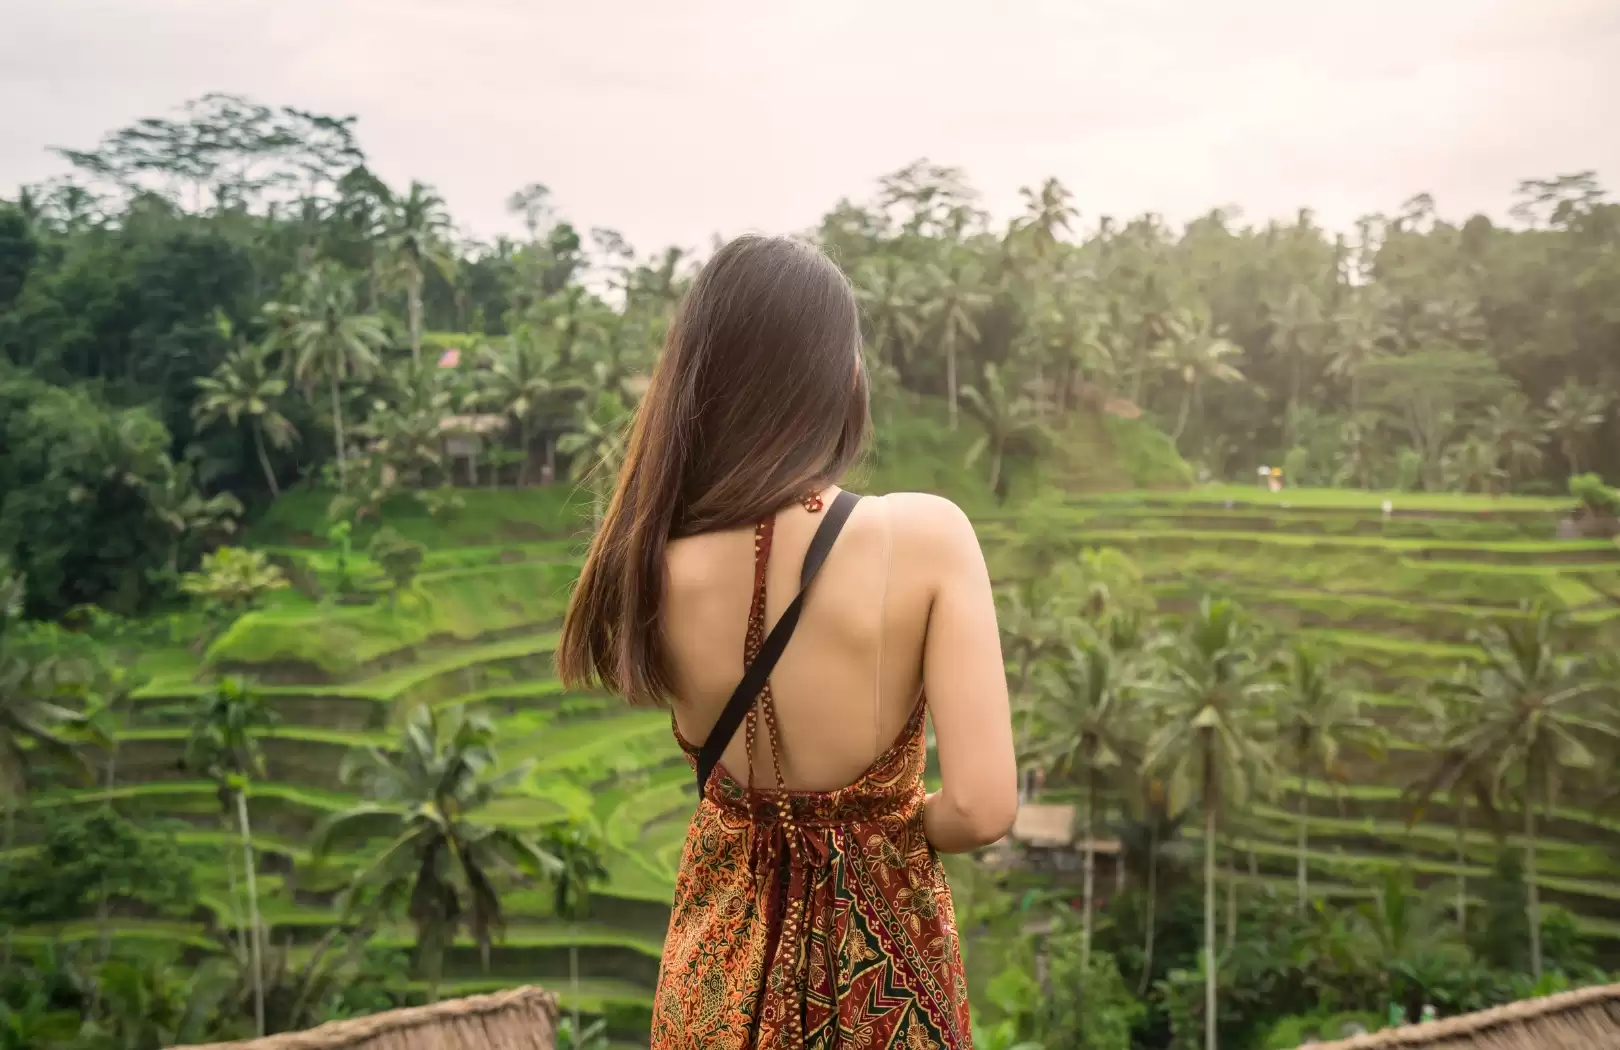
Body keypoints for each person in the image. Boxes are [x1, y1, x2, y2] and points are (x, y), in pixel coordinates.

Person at [558, 235, 1017, 1049]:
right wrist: (880, 828)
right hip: (881, 983)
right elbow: (982, 808)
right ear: (839, 378)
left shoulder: (647, 566)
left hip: (719, 980)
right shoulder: (924, 537)